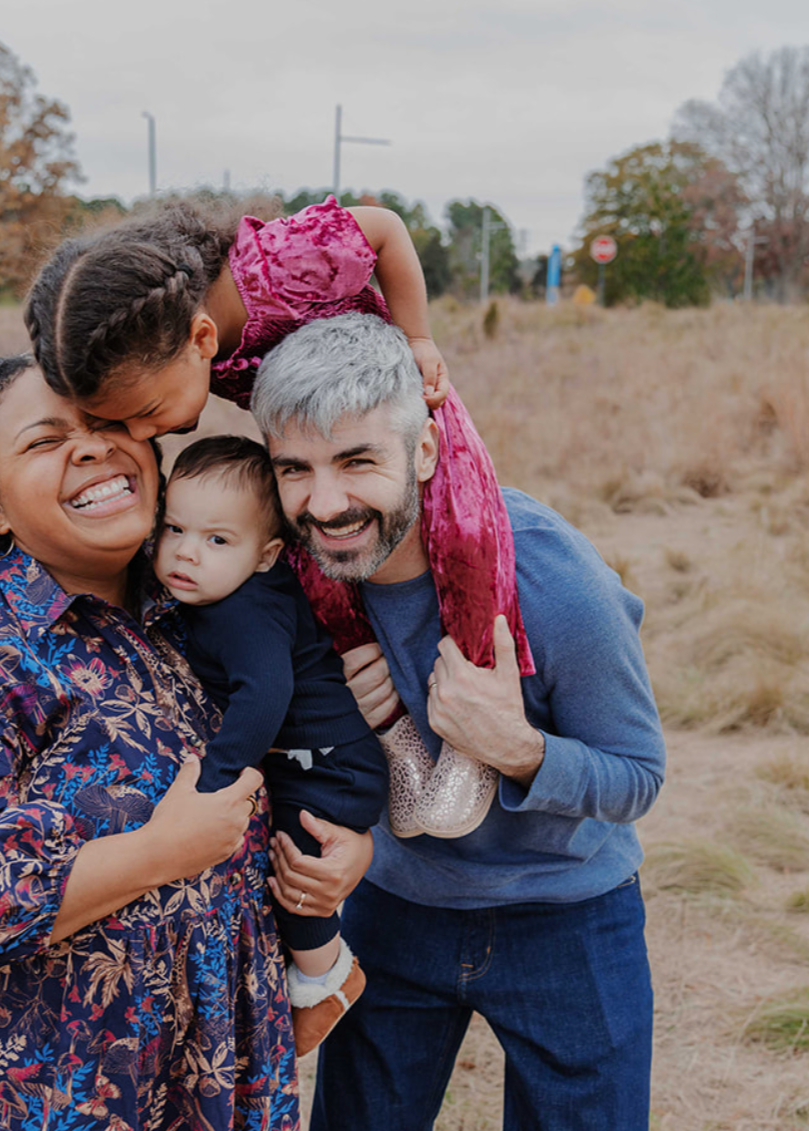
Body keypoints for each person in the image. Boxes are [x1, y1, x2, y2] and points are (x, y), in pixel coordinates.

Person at [0, 356, 301, 1131]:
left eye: (108, 423)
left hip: (201, 1071)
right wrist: (163, 851)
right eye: (45, 439)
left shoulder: (190, 599)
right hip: (37, 1090)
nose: (90, 448)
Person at [250, 314, 666, 1130]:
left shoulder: (551, 579)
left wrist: (518, 751)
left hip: (570, 917)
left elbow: (638, 775)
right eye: (294, 468)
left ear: (427, 451)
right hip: (392, 908)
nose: (324, 502)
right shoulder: (293, 581)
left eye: (358, 460)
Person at [23, 196, 533, 838]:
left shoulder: (275, 269)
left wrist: (419, 337)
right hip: (317, 448)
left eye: (146, 410)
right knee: (314, 573)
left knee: (468, 537)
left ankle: (471, 722)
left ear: (202, 339)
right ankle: (393, 734)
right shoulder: (167, 339)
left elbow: (384, 228)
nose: (143, 432)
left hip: (395, 419)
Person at [154, 434, 388, 1055]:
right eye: (174, 529)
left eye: (217, 540)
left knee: (297, 871)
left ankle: (326, 976)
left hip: (329, 768)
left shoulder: (246, 612)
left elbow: (263, 695)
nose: (186, 554)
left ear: (267, 556)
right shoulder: (220, 591)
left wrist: (218, 777)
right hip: (306, 760)